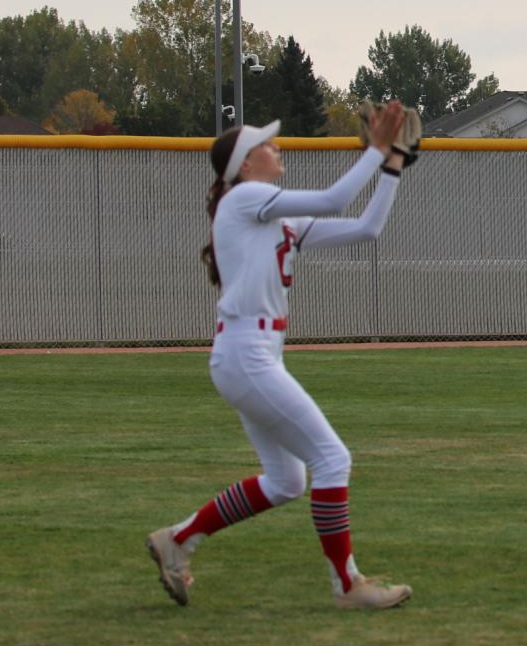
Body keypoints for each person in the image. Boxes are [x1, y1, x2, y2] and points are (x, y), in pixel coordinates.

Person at [146, 105, 414, 611]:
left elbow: (365, 229)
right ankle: (347, 585)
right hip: (248, 354)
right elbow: (336, 198)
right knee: (333, 458)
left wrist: (393, 168)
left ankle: (178, 540)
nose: (277, 148)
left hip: (252, 354)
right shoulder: (245, 197)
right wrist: (376, 149)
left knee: (288, 480)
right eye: (266, 145)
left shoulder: (273, 215)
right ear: (245, 165)